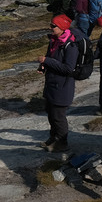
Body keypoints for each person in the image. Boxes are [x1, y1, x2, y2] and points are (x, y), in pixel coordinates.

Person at [37, 14, 79, 152]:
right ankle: (53, 138)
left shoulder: (70, 45)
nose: (50, 28)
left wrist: (47, 61)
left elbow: (68, 68)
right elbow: (51, 58)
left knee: (58, 117)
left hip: (63, 86)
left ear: (62, 27)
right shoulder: (54, 41)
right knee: (50, 112)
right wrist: (44, 66)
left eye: (53, 26)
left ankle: (62, 143)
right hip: (52, 84)